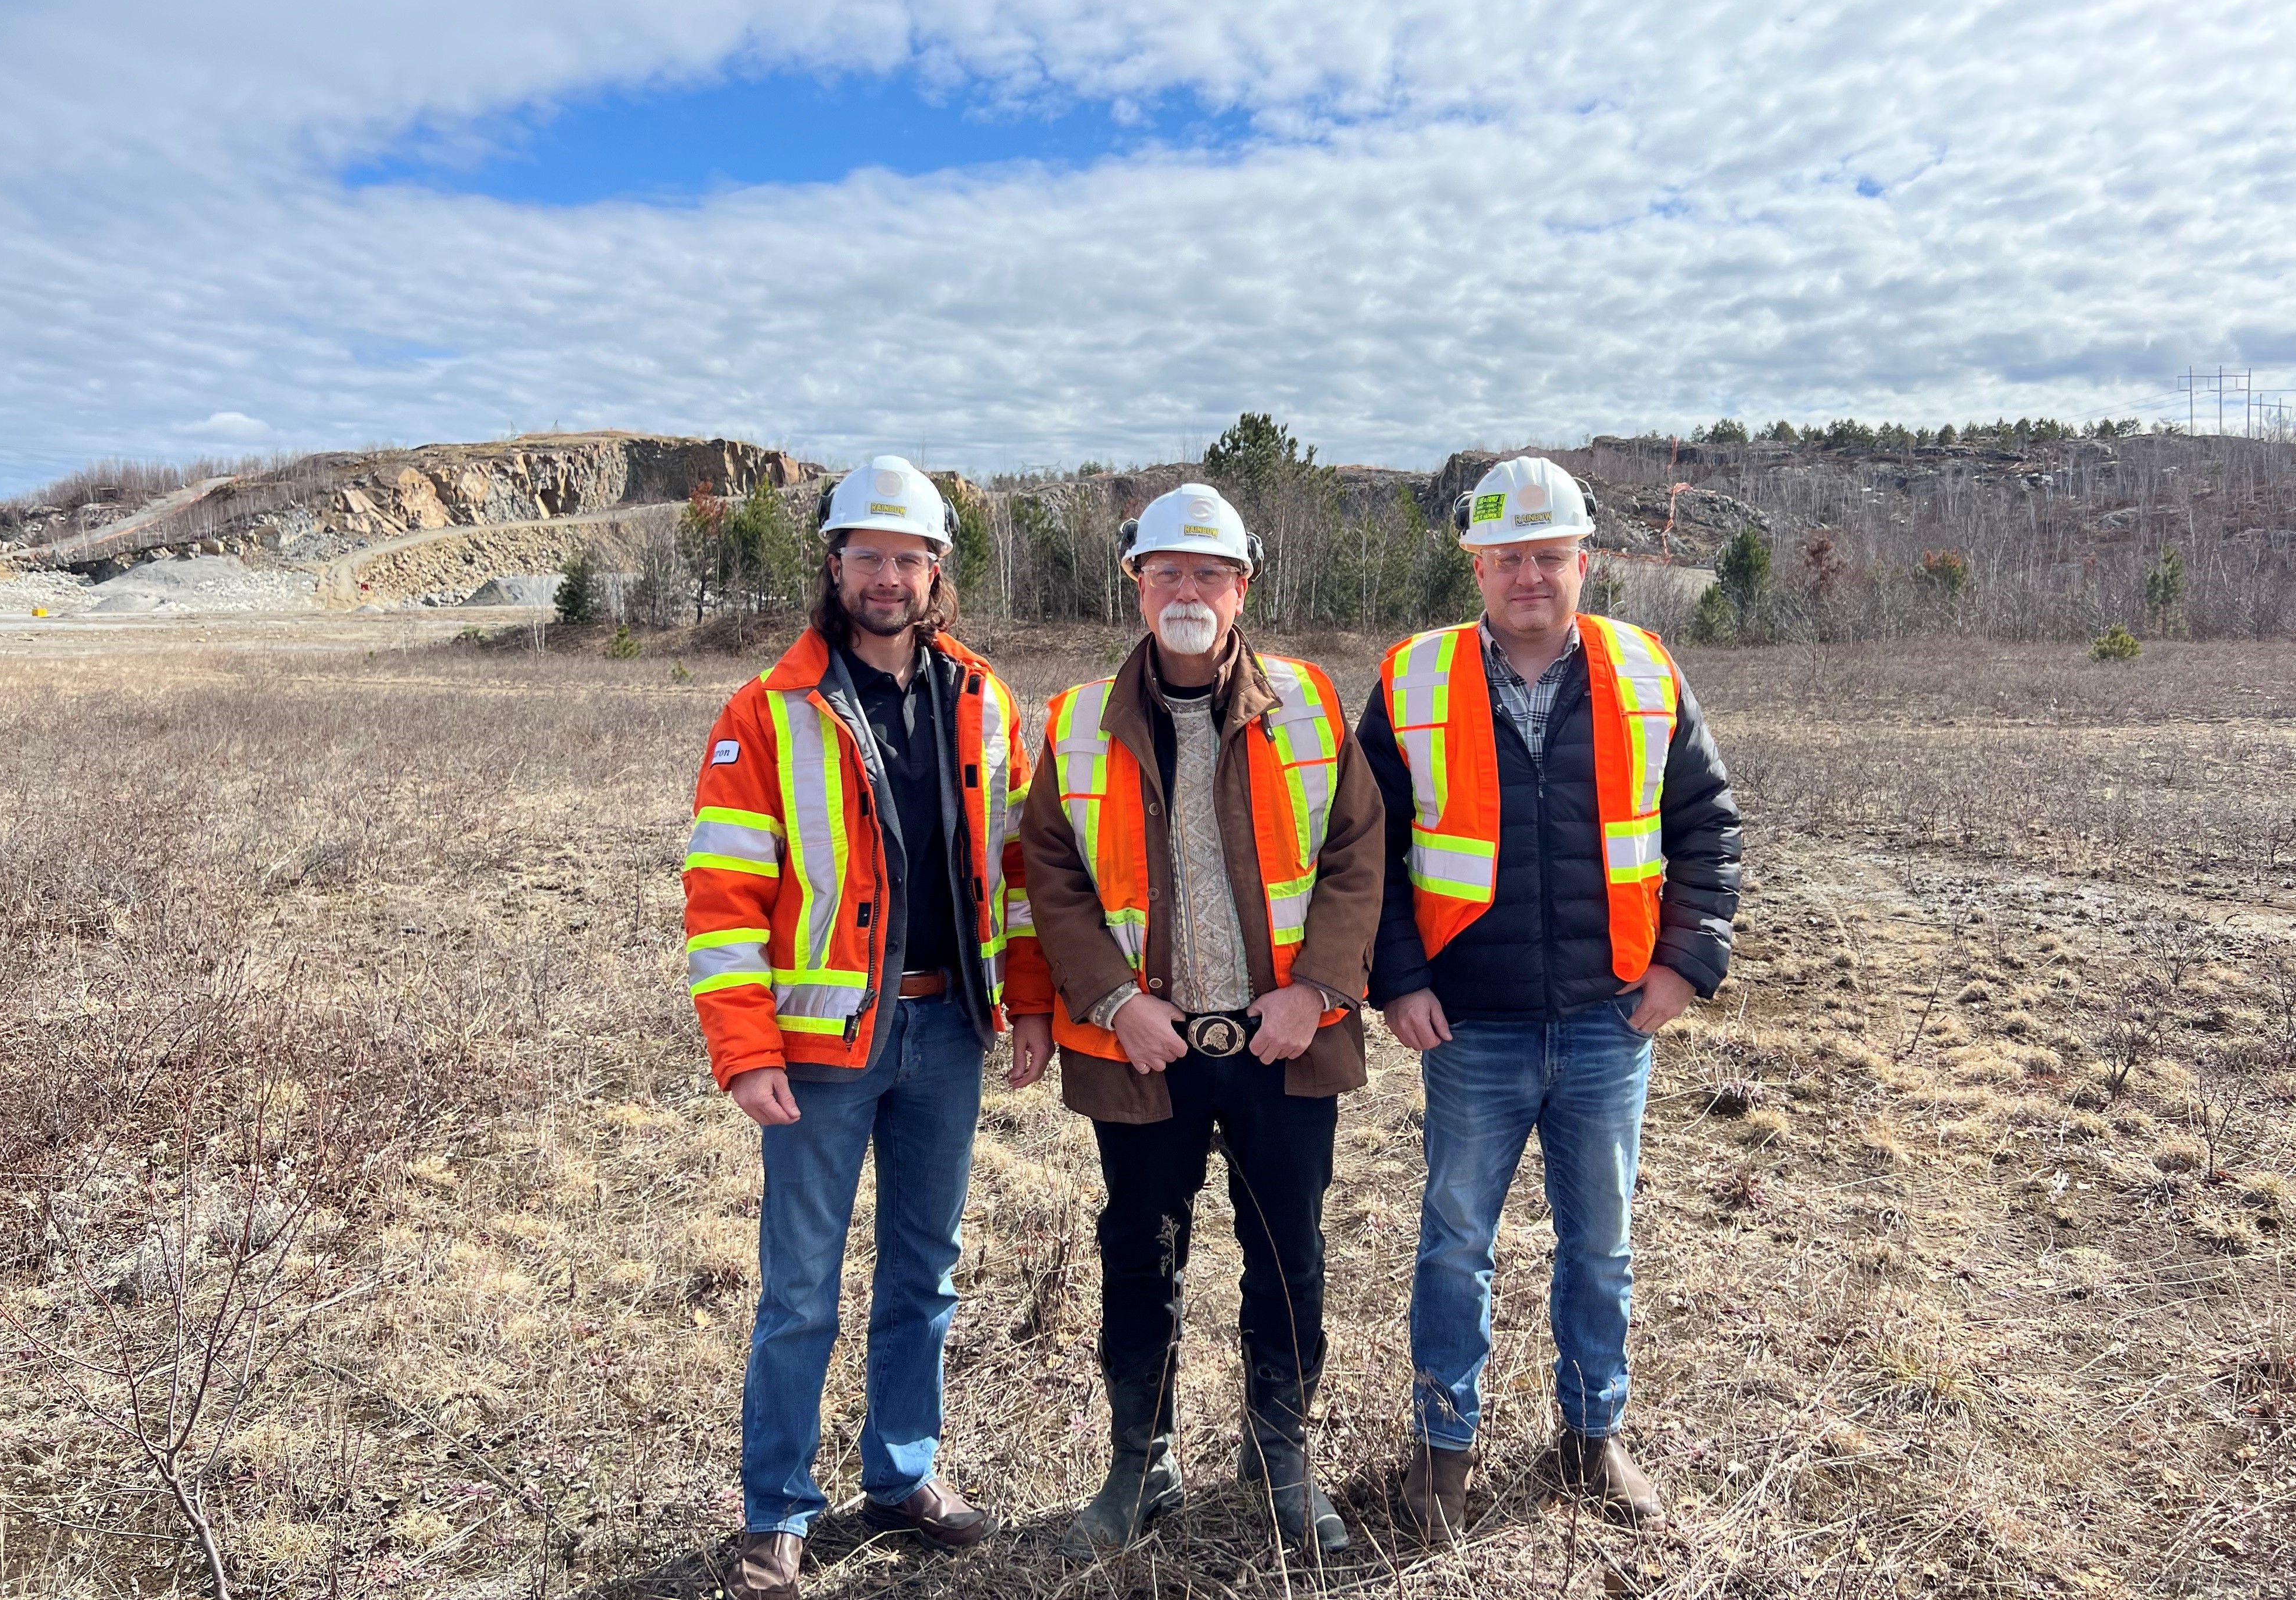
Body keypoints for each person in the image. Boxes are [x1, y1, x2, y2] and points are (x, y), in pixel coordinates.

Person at [682, 455, 1056, 1600]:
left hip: (948, 1036)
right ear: (834, 565)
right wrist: (744, 1049)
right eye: (868, 556)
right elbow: (723, 896)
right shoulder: (768, 712)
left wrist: (1031, 1003)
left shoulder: (983, 700)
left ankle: (902, 1477)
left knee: (923, 1273)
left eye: (910, 558)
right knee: (800, 1292)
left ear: (936, 569)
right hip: (819, 1052)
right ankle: (776, 1515)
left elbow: (1023, 872)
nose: (888, 578)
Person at [1358, 454, 1740, 1539]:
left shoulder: (1647, 670)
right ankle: (1442, 1454)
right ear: (1476, 567)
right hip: (1468, 1023)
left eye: (1548, 555)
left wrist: (1683, 964)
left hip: (1609, 1016)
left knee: (1601, 1244)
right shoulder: (1413, 679)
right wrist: (1400, 979)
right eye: (1507, 557)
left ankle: (1591, 1438)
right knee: (1454, 1242)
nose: (1530, 575)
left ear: (1584, 561)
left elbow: (1706, 825)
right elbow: (1366, 850)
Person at [1020, 483, 1385, 1559]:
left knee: (1289, 1254)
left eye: (1208, 574)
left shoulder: (1312, 704)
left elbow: (1359, 857)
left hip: (1283, 1044)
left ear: (1243, 587)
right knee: (1139, 1249)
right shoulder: (1076, 721)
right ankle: (1142, 1461)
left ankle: (1281, 1453)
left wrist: (1315, 991)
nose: (1187, 591)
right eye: (1166, 572)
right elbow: (1051, 871)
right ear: (1136, 584)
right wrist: (1115, 1001)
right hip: (1146, 1053)